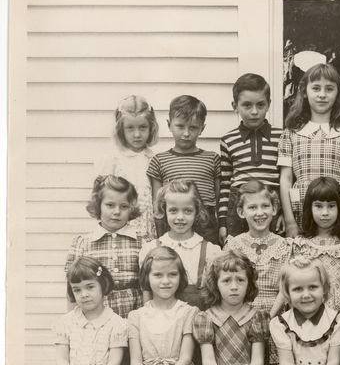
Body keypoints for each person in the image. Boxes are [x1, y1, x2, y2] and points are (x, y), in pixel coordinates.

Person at [278, 63, 340, 236]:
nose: (322, 95)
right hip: (301, 208)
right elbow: (285, 179)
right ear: (304, 92)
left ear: (338, 93)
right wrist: (289, 221)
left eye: (329, 89)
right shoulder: (291, 133)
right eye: (316, 88)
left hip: (336, 209)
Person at [225, 180, 292, 365]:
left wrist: (269, 318)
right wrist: (246, 317)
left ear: (274, 209)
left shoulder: (285, 246)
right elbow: (228, 284)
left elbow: (285, 288)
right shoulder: (234, 245)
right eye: (252, 207)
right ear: (241, 212)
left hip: (276, 315)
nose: (259, 212)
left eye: (265, 206)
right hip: (241, 314)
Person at [218, 73, 284, 242]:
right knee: (239, 254)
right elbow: (225, 184)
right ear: (235, 106)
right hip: (239, 206)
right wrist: (223, 222)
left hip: (271, 205)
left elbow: (286, 180)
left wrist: (283, 213)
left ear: (268, 104)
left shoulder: (282, 137)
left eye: (260, 105)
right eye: (247, 105)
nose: (254, 111)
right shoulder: (228, 140)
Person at [65, 175, 142, 318]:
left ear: (131, 208)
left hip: (135, 316)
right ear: (98, 205)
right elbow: (72, 288)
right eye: (110, 205)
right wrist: (73, 323)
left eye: (124, 206)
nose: (117, 211)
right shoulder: (82, 243)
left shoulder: (142, 241)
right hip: (96, 316)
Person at [147, 95, 220, 244]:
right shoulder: (159, 161)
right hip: (173, 222)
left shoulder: (212, 159)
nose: (186, 133)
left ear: (202, 128)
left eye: (193, 127)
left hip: (206, 224)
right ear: (169, 125)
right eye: (180, 126)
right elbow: (158, 206)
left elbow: (219, 200)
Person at [140, 180, 221, 310]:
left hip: (197, 324)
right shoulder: (151, 249)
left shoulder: (210, 251)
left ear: (197, 212)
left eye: (187, 211)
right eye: (173, 210)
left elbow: (215, 298)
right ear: (164, 210)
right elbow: (147, 292)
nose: (180, 217)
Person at [95, 95, 159, 243]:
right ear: (120, 130)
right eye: (130, 128)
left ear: (151, 128)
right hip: (119, 225)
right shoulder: (112, 159)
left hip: (147, 227)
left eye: (143, 127)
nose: (137, 134)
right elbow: (101, 199)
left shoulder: (154, 159)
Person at [291, 177, 340, 315]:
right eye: (319, 206)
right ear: (310, 207)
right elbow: (293, 285)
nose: (325, 213)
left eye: (331, 206)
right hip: (307, 314)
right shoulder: (301, 244)